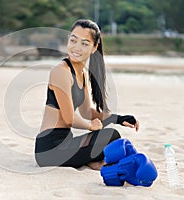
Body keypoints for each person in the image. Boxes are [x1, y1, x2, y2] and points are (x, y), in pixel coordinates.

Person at [34, 19, 140, 170]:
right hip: (49, 149)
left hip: (66, 143)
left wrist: (117, 118)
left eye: (84, 43)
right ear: (68, 40)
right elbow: (69, 118)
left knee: (112, 137)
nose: (77, 47)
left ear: (94, 48)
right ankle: (91, 162)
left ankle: (89, 162)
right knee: (111, 136)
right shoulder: (61, 72)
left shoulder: (82, 74)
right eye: (73, 40)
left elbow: (87, 112)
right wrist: (91, 126)